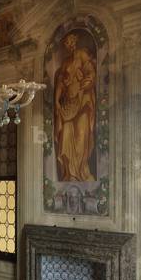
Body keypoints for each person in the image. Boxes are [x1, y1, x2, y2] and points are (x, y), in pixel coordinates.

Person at [53, 32, 97, 181]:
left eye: (71, 41)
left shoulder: (82, 54)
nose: (69, 45)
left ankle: (82, 171)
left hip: (83, 100)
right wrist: (57, 101)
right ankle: (69, 173)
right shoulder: (65, 63)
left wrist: (86, 82)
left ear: (75, 41)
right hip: (68, 106)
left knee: (82, 133)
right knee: (65, 133)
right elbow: (60, 83)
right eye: (66, 43)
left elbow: (91, 72)